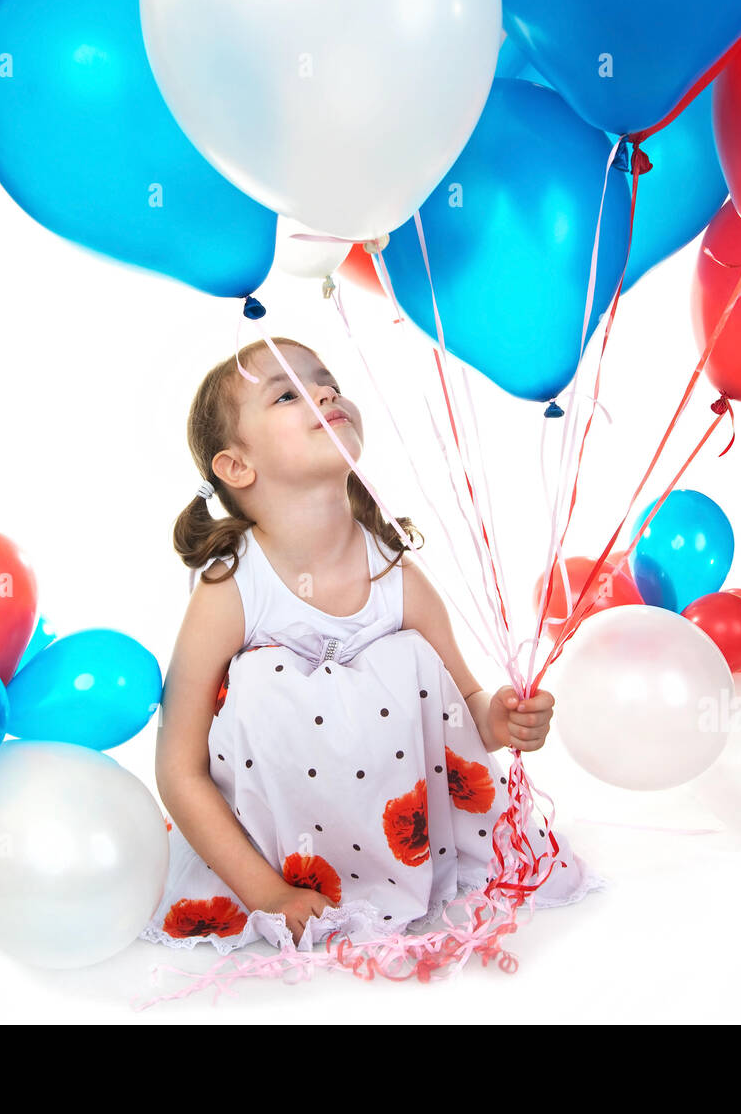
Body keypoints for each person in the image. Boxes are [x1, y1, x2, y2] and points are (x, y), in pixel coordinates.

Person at [140, 337, 604, 954]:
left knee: (405, 656)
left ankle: (390, 884)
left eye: (327, 381)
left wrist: (502, 717)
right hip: (272, 866)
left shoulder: (396, 578)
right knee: (267, 681)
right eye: (288, 393)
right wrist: (267, 896)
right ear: (236, 467)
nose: (326, 393)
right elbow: (179, 769)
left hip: (401, 857)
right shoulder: (233, 589)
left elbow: (466, 711)